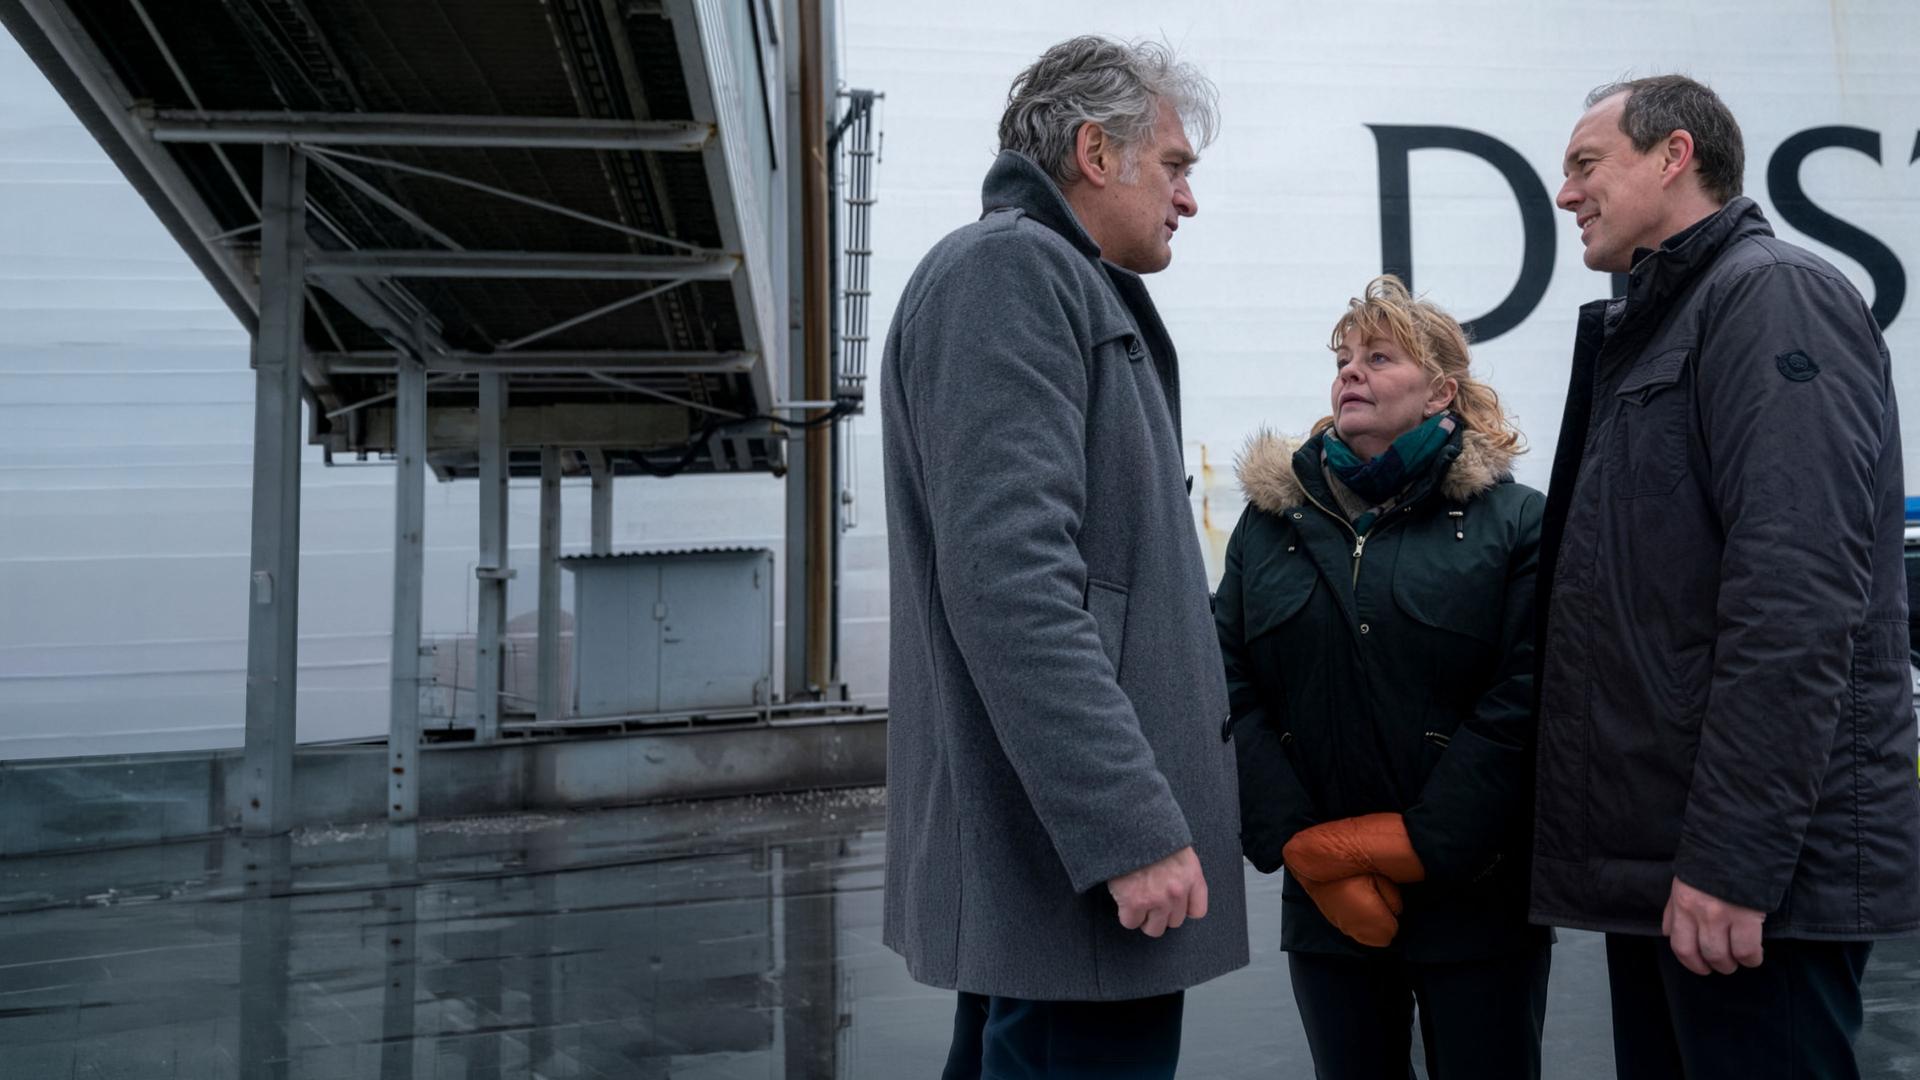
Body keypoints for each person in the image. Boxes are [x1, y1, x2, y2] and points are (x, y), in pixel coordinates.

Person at [1534, 74, 1920, 1079]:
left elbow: (1794, 601)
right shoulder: (1666, 322)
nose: (1565, 194)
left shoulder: (1771, 297)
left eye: (1585, 165)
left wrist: (1730, 863)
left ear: (1674, 158)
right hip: (1674, 877)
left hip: (1748, 890)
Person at [879, 35, 1247, 1079]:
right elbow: (1013, 586)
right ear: (1097, 151)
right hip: (1072, 881)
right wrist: (1127, 826)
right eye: (1174, 167)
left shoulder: (1052, 279)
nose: (1187, 199)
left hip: (1051, 880)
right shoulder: (1011, 274)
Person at [1219, 275, 1552, 1079]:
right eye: (1342, 359)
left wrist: (1420, 843)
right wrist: (1307, 849)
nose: (1349, 373)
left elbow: (1528, 693)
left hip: (1478, 900)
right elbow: (1224, 684)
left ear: (1442, 391)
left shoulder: (1515, 522)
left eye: (1378, 356)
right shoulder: (1270, 527)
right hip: (1326, 909)